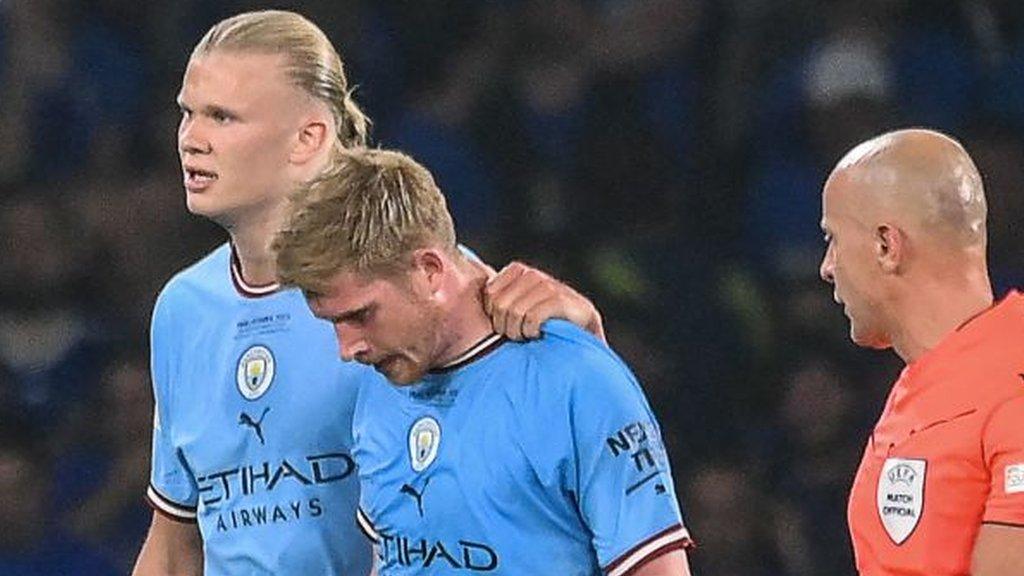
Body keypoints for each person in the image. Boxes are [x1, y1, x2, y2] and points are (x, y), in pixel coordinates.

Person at [133, 10, 605, 576]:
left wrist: (582, 333)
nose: (191, 139)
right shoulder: (182, 311)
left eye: (222, 117)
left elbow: (563, 467)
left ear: (309, 137)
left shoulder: (419, 285)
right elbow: (175, 544)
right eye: (187, 113)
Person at [273, 147, 693, 575]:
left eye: (361, 315)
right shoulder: (381, 382)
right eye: (333, 323)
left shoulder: (575, 379)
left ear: (431, 271)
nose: (348, 349)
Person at [819, 128, 1024, 575]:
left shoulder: (1014, 385)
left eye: (833, 239)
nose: (827, 268)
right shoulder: (925, 383)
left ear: (886, 246)